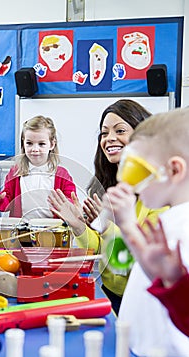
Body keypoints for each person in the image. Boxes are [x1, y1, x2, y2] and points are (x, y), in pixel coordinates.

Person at [102, 107, 189, 357]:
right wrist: (124, 223)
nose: (126, 181)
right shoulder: (167, 219)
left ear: (174, 169)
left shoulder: (183, 224)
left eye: (135, 170)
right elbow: (157, 276)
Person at [47, 99, 167, 314]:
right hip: (111, 294)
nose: (109, 138)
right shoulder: (108, 186)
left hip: (144, 301)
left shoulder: (159, 191)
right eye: (104, 133)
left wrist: (107, 227)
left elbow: (142, 261)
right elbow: (102, 250)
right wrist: (79, 227)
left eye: (119, 130)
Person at [0, 115, 77, 220]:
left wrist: (66, 205)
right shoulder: (15, 172)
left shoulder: (62, 174)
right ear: (23, 143)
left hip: (52, 232)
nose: (35, 149)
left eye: (41, 144)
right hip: (22, 232)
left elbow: (72, 201)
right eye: (29, 143)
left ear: (52, 144)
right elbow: (6, 204)